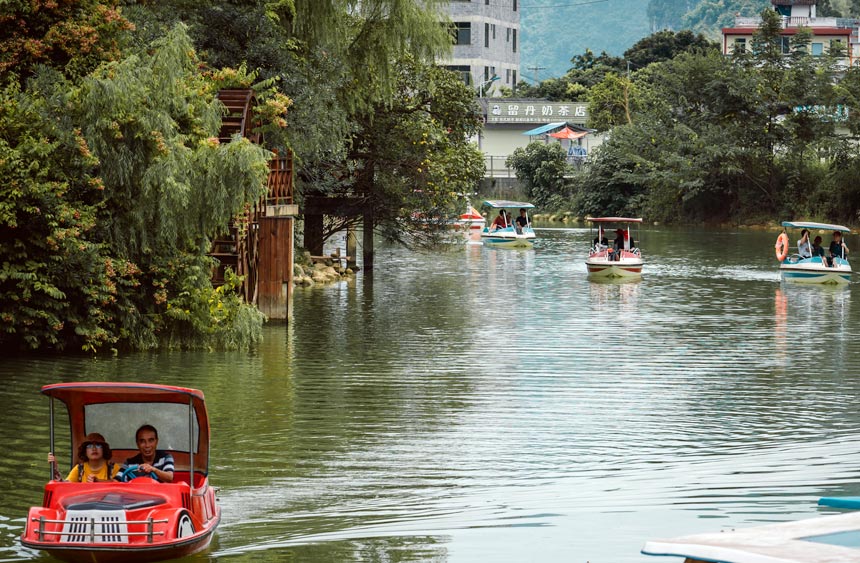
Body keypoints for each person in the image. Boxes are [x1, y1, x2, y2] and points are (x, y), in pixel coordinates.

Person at [47, 432, 120, 482]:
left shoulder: (113, 468)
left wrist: (98, 481)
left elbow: (119, 485)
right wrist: (55, 468)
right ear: (85, 451)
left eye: (98, 445)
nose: (94, 449)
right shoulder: (79, 469)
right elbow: (65, 486)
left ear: (104, 449)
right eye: (89, 446)